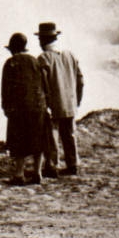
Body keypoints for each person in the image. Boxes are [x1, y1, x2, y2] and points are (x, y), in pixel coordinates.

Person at [36, 22, 84, 176]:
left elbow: (41, 85)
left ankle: (52, 166)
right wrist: (77, 100)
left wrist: (44, 104)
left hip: (53, 105)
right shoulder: (70, 55)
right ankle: (73, 164)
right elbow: (80, 80)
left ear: (43, 40)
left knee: (52, 136)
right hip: (70, 102)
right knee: (69, 134)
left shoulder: (43, 58)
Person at [0, 33, 48, 185]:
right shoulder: (35, 61)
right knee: (38, 140)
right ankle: (37, 172)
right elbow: (45, 84)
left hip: (18, 108)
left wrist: (6, 107)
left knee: (19, 141)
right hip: (38, 106)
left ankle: (19, 174)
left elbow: (5, 88)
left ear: (13, 49)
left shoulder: (11, 63)